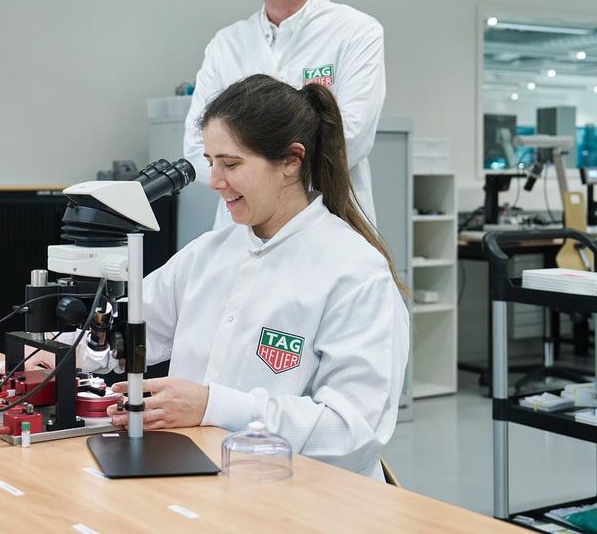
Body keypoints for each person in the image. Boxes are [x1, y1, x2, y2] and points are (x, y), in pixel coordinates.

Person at [87, 74, 409, 479]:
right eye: (210, 163)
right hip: (201, 478)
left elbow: (350, 431)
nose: (215, 182)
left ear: (291, 161)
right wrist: (64, 351)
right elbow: (127, 330)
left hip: (308, 499)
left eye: (231, 164)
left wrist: (212, 406)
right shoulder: (208, 254)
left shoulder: (355, 272)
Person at [184, 0, 385, 229]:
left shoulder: (356, 32)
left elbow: (348, 140)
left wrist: (246, 166)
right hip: (240, 232)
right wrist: (268, 167)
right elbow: (195, 146)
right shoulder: (227, 43)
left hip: (326, 226)